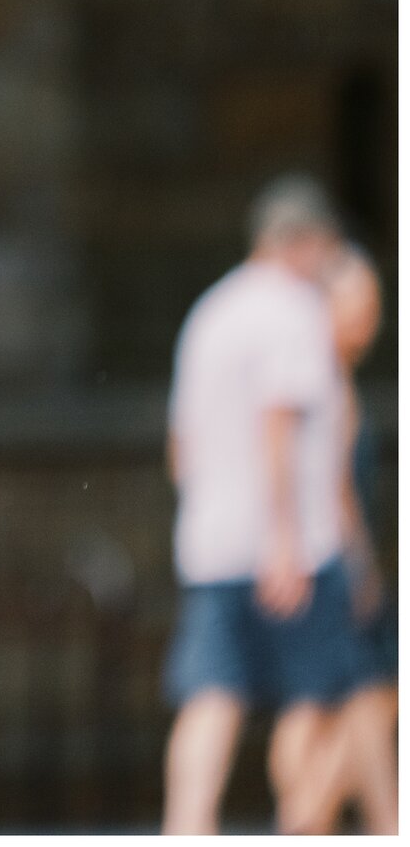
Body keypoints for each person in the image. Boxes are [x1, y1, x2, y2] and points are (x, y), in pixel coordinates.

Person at [160, 174, 358, 835]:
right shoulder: (292, 310)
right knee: (319, 698)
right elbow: (279, 423)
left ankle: (187, 826)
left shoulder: (208, 311)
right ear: (301, 242)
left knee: (212, 696)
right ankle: (301, 827)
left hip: (212, 540)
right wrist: (282, 536)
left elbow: (180, 447)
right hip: (291, 544)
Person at [289, 246, 398, 833]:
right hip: (332, 564)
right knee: (363, 696)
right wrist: (359, 568)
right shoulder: (322, 379)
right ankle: (310, 814)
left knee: (339, 703)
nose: (371, 321)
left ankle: (345, 815)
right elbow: (334, 490)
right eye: (361, 306)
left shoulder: (331, 376)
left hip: (326, 563)